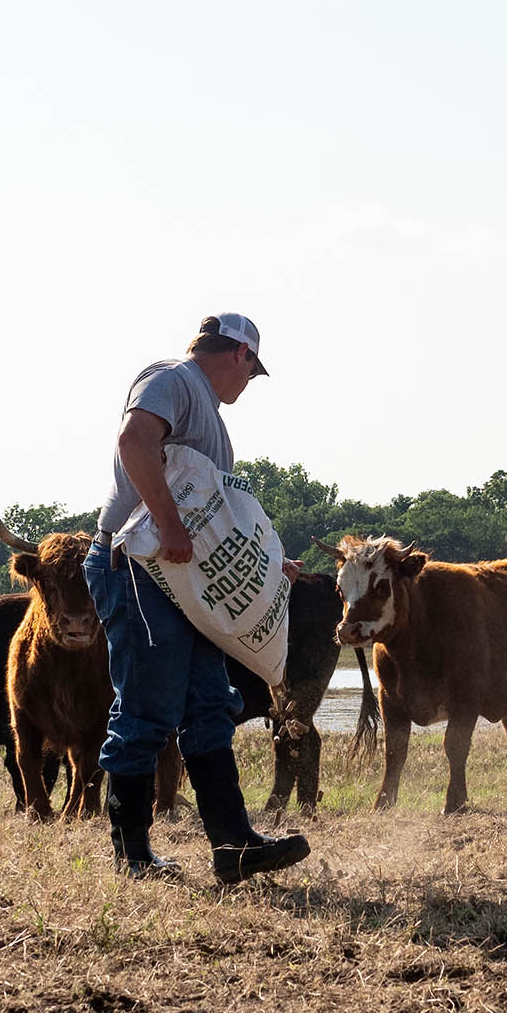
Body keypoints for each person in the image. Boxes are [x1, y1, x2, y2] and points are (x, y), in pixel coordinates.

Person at [85, 313, 312, 883]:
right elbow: (134, 441)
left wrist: (263, 566)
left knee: (211, 705)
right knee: (146, 707)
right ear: (239, 354)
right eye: (253, 372)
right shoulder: (174, 379)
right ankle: (132, 855)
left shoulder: (207, 416)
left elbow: (213, 519)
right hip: (136, 567)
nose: (248, 385)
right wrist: (168, 523)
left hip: (185, 582)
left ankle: (233, 847)